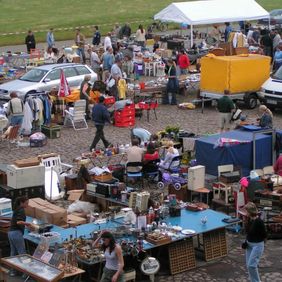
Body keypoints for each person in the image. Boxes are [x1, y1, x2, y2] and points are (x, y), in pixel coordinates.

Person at [8, 196, 32, 276]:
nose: (27, 205)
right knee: (22, 253)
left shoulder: (16, 209)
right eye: (26, 203)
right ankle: (25, 273)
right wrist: (28, 224)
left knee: (13, 253)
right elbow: (18, 222)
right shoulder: (21, 210)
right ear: (21, 203)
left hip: (10, 233)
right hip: (16, 233)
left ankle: (13, 271)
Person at [244, 202, 267, 282]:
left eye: (246, 211)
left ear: (250, 211)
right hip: (249, 244)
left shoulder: (259, 222)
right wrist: (246, 241)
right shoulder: (249, 219)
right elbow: (248, 233)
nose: (245, 213)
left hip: (257, 245)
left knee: (251, 265)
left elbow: (264, 234)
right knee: (249, 265)